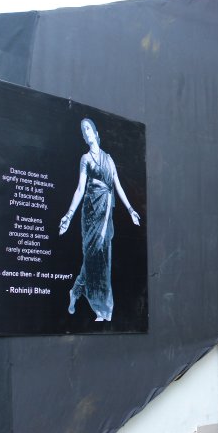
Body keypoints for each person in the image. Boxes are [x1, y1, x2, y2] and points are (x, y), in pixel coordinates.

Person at [59, 118, 141, 321]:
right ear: (84, 137)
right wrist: (68, 215)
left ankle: (91, 301)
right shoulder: (85, 159)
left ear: (96, 133)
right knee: (91, 256)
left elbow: (117, 185)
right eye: (83, 130)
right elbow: (80, 188)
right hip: (90, 212)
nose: (86, 132)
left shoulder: (109, 159)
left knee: (102, 259)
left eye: (88, 128)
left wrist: (131, 209)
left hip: (105, 213)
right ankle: (87, 299)